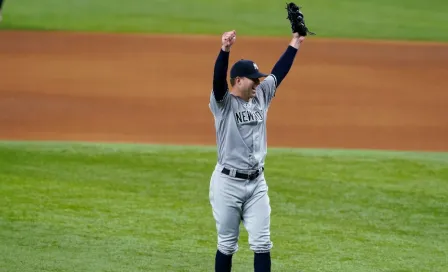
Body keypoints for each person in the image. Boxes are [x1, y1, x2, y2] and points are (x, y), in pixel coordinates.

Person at [208, 28, 305, 272]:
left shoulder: (260, 96)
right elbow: (219, 80)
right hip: (227, 184)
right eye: (253, 78)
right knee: (227, 244)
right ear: (238, 81)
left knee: (262, 244)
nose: (258, 82)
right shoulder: (223, 104)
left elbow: (278, 73)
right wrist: (225, 50)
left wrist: (295, 41)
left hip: (257, 184)